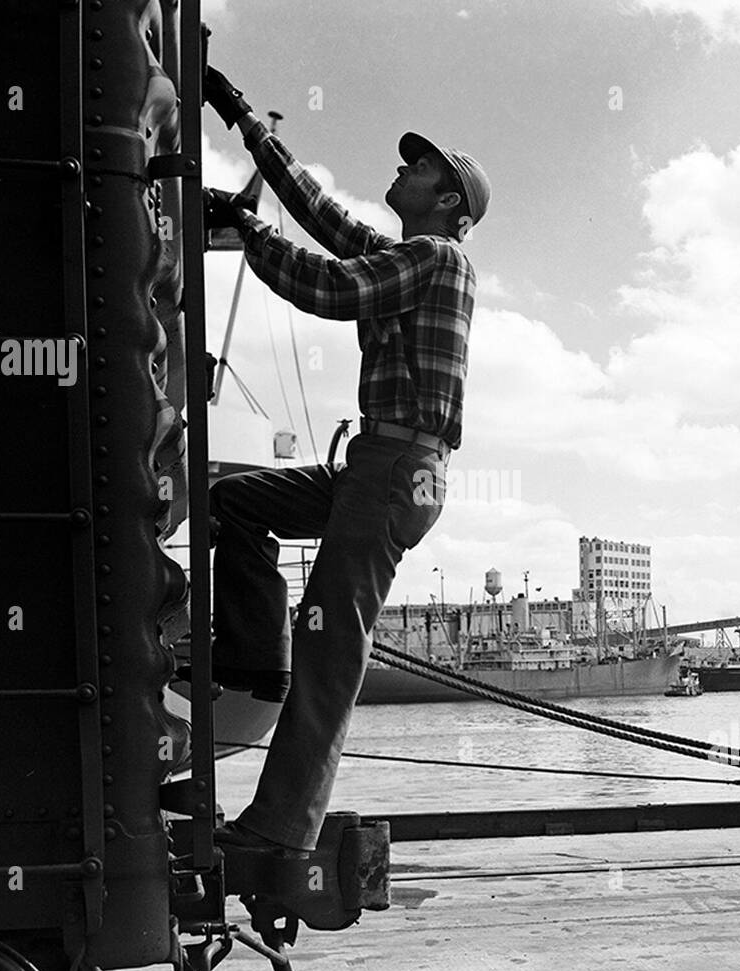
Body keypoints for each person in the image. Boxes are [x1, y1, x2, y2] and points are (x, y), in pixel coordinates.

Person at [197, 65, 490, 858]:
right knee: (234, 504)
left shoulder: (439, 260)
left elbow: (328, 286)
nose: (402, 169)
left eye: (419, 166)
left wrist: (245, 231)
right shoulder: (410, 259)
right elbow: (321, 217)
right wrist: (245, 122)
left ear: (449, 201)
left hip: (396, 473)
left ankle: (277, 830)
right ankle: (256, 666)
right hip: (376, 469)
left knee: (332, 650)